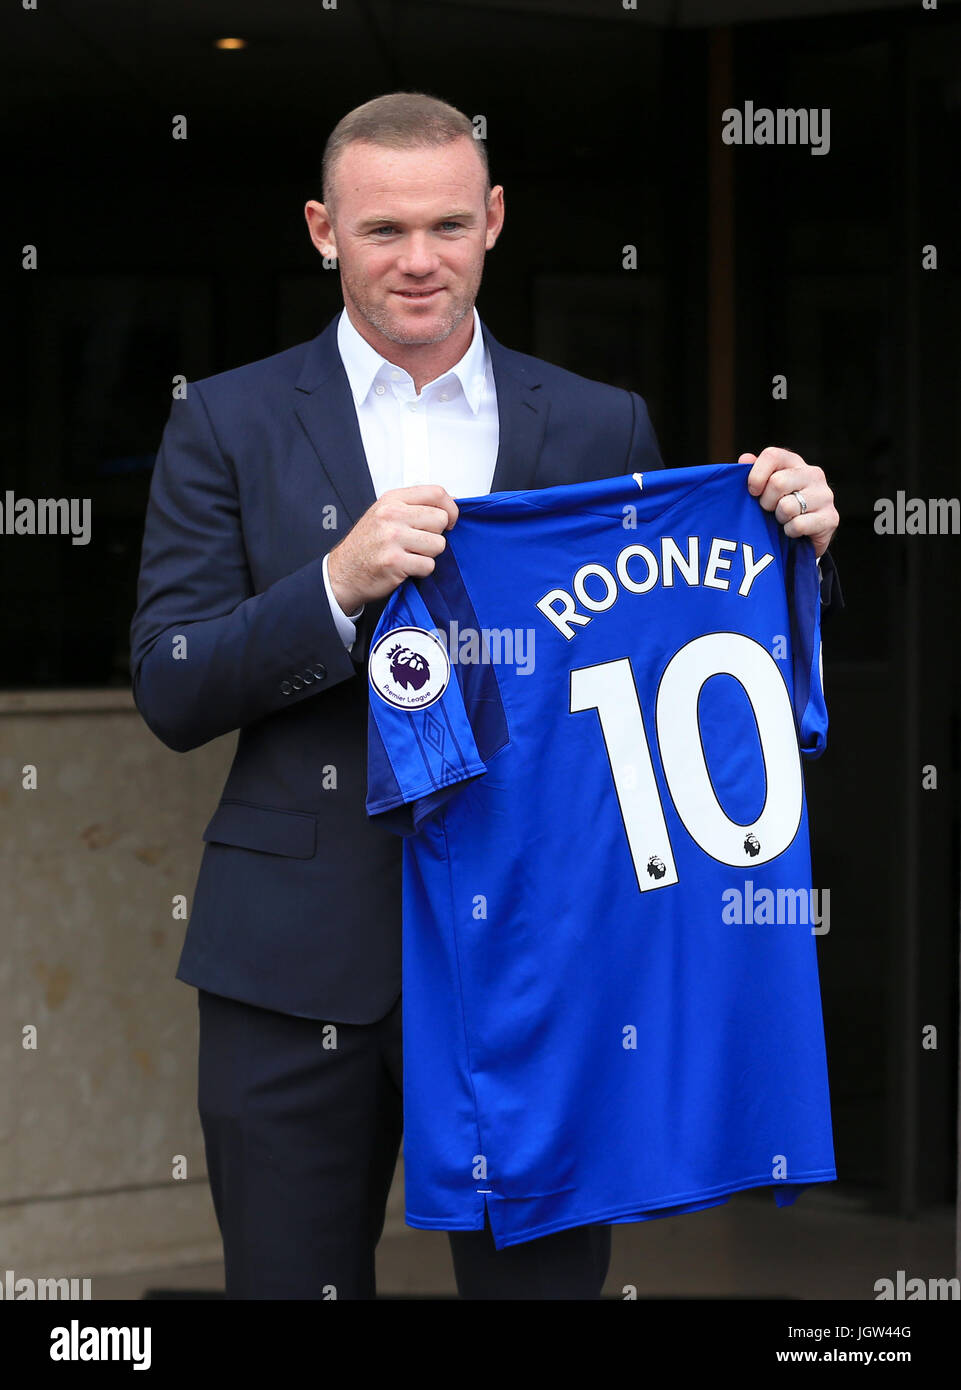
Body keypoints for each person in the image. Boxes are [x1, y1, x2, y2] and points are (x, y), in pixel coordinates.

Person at [129, 91, 841, 1301]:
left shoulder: (601, 422)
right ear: (320, 230)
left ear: (496, 219)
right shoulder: (227, 420)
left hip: (547, 958)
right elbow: (171, 682)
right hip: (297, 961)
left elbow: (676, 657)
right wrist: (336, 586)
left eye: (449, 225)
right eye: (381, 231)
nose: (419, 261)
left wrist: (789, 554)